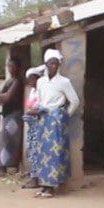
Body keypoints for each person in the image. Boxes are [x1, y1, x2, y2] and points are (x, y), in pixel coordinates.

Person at [28, 49, 80, 198]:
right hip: (43, 119)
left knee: (55, 153)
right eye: (50, 64)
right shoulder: (41, 82)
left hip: (56, 120)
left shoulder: (64, 82)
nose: (53, 66)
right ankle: (44, 184)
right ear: (45, 64)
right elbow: (38, 98)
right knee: (42, 151)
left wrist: (64, 115)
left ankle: (53, 185)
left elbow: (75, 101)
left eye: (55, 64)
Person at [0, 57, 27, 175]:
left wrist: (1, 96)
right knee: (3, 140)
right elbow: (0, 96)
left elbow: (6, 97)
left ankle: (7, 167)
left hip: (14, 114)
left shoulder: (17, 81)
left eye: (12, 66)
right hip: (7, 114)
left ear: (18, 67)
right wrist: (1, 96)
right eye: (8, 66)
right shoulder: (10, 80)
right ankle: (1, 166)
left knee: (9, 141)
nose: (10, 69)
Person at [20, 66, 44, 189]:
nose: (30, 81)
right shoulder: (33, 91)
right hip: (32, 127)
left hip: (39, 126)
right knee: (31, 152)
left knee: (36, 152)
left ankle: (36, 179)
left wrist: (33, 112)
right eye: (29, 79)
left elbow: (43, 108)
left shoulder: (42, 91)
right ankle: (34, 176)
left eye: (33, 78)